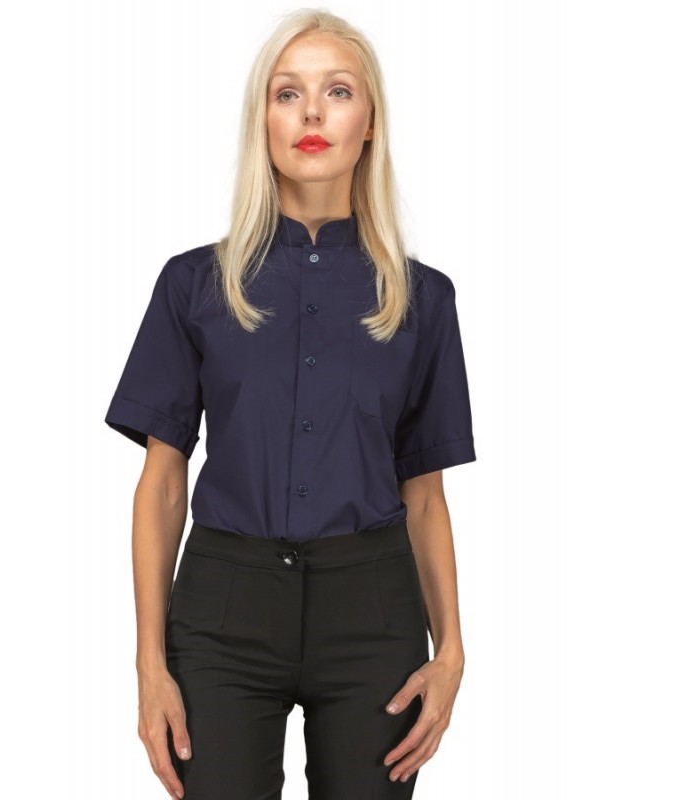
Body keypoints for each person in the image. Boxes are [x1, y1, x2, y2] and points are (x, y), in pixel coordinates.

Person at [104, 10, 476, 800]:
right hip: (222, 613)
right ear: (262, 121)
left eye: (337, 92)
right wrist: (149, 664)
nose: (311, 113)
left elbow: (425, 494)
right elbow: (162, 484)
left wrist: (451, 654)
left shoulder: (424, 300)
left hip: (373, 611)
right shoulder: (193, 286)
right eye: (287, 93)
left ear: (369, 123)